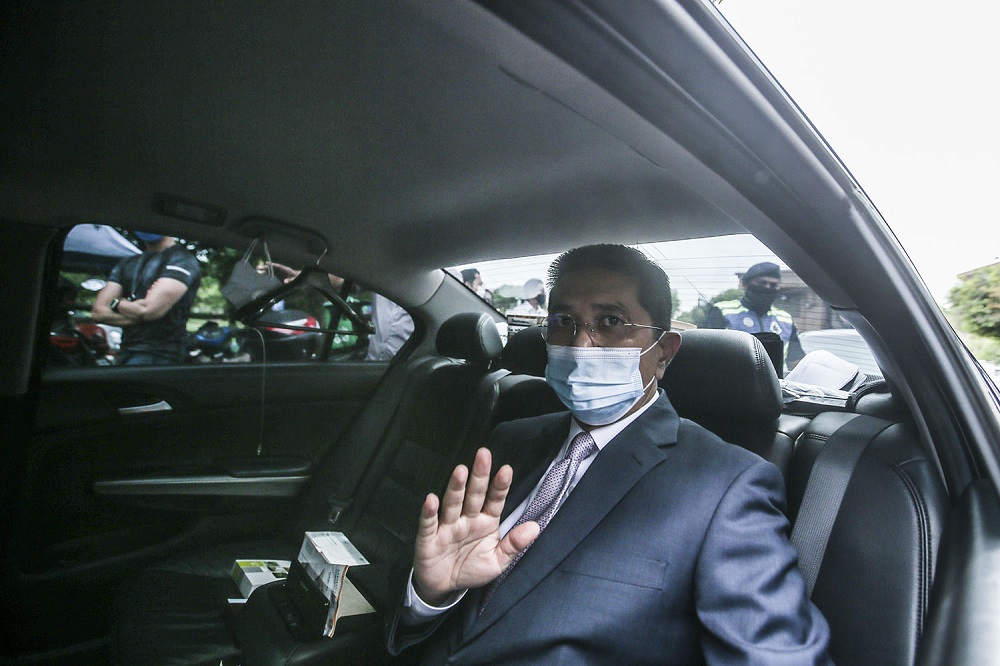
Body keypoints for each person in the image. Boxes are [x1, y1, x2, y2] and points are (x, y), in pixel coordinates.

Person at [387, 244, 831, 664]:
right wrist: (429, 596)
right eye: (563, 321)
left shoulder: (727, 486)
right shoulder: (509, 441)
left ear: (662, 354)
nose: (581, 346)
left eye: (611, 322)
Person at [92, 232, 201, 365]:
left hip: (162, 353)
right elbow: (98, 312)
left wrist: (117, 303)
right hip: (125, 350)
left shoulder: (182, 259)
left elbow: (147, 310)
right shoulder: (127, 263)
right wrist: (139, 313)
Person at [268, 262, 413, 361]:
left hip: (410, 364)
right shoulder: (384, 270)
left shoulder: (432, 276)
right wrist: (303, 277)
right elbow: (343, 280)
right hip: (375, 362)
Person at [702, 261, 805, 370]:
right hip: (732, 380)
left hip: (775, 384)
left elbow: (796, 361)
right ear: (745, 284)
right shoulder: (723, 311)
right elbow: (706, 353)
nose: (767, 288)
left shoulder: (785, 320)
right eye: (761, 283)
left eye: (773, 285)